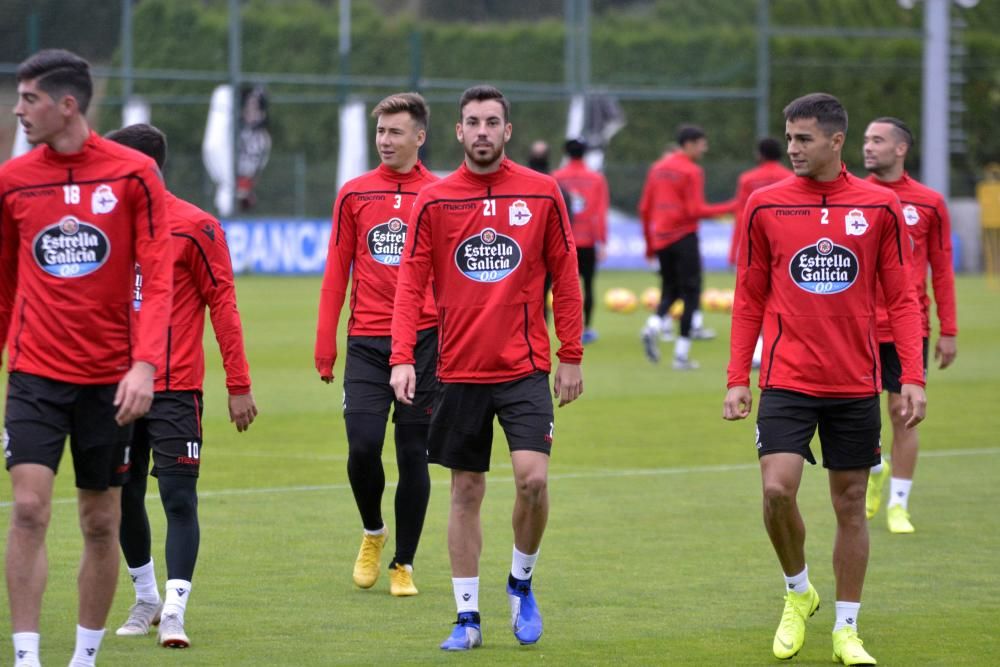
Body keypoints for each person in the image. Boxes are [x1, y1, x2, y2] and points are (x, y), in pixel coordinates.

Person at [724, 93, 927, 666]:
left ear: (836, 141)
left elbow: (904, 300)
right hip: (787, 379)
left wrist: (913, 375)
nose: (792, 148)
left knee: (849, 505)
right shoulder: (765, 205)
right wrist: (738, 376)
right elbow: (748, 297)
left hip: (855, 383)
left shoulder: (879, 207)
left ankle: (846, 629)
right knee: (776, 489)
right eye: (789, 137)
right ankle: (798, 591)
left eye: (804, 139)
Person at [389, 85, 583, 651]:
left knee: (533, 480)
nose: (481, 131)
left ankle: (520, 582)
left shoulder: (543, 193)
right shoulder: (436, 199)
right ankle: (467, 618)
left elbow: (566, 278)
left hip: (524, 367)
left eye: (491, 122)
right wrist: (402, 355)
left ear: (507, 131)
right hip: (457, 369)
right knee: (465, 490)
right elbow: (410, 284)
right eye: (472, 122)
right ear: (458, 131)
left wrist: (570, 352)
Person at [0, 49, 173, 667]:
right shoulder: (14, 180)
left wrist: (145, 364)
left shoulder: (132, 176)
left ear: (66, 104)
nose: (19, 110)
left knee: (101, 521)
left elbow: (157, 280)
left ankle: (84, 657)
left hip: (110, 382)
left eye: (29, 99)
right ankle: (25, 658)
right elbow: (3, 285)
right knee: (27, 508)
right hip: (35, 376)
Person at [104, 124, 257, 649]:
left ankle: (173, 609)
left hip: (175, 389)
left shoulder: (196, 227)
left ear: (144, 167)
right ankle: (145, 596)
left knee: (178, 498)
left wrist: (239, 385)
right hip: (117, 387)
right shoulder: (105, 227)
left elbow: (225, 307)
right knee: (122, 495)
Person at [315, 92, 439, 597]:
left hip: (428, 342)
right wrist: (325, 344)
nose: (385, 141)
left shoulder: (441, 193)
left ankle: (403, 563)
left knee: (413, 453)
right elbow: (335, 270)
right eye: (380, 132)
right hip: (366, 341)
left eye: (394, 132)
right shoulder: (354, 194)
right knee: (362, 447)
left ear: (419, 137)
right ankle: (372, 531)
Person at [862, 117, 958, 533]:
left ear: (900, 149)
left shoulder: (930, 202)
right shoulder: (855, 196)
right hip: (857, 326)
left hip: (907, 325)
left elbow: (942, 269)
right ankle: (872, 469)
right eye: (865, 139)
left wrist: (948, 329)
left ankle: (898, 505)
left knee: (903, 413)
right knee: (858, 415)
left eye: (877, 140)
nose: (867, 146)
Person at [639, 125, 733, 368]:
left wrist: (649, 246)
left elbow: (644, 208)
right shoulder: (692, 171)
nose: (705, 148)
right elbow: (695, 211)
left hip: (661, 238)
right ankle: (681, 355)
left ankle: (653, 326)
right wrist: (733, 206)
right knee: (691, 292)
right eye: (702, 143)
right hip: (684, 237)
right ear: (690, 144)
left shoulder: (657, 168)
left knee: (671, 289)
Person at [728, 138, 794, 369]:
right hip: (782, 248)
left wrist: (733, 250)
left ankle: (757, 350)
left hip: (754, 248)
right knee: (780, 298)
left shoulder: (747, 179)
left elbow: (741, 217)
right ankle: (776, 346)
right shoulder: (789, 177)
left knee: (751, 299)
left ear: (760, 154)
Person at [553, 138, 610, 344]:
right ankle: (586, 329)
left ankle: (562, 329)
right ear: (585, 153)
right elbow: (600, 213)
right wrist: (602, 241)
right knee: (588, 285)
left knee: (562, 287)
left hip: (563, 240)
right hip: (586, 240)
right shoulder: (596, 179)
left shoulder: (556, 177)